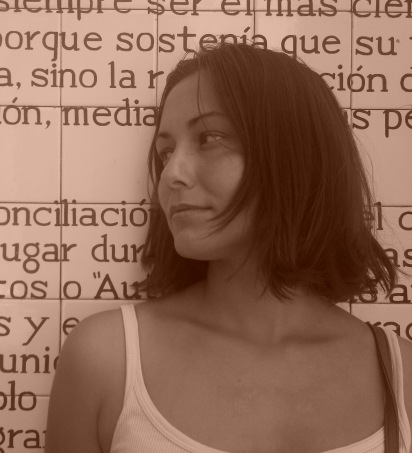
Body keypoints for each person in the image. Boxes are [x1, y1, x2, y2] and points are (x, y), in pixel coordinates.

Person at [44, 43, 412, 453]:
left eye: (210, 138)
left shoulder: (401, 375)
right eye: (166, 152)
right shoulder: (106, 358)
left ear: (294, 155)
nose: (171, 174)